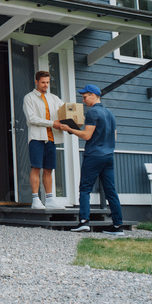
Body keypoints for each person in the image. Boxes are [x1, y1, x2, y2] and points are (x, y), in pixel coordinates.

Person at [60, 84, 124, 236]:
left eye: (85, 96)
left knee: (85, 189)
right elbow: (113, 136)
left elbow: (87, 136)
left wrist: (69, 129)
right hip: (108, 156)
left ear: (94, 95)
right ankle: (117, 226)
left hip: (94, 156)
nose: (83, 100)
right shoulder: (110, 114)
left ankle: (84, 222)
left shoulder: (92, 112)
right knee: (111, 191)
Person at [22, 71, 64, 209]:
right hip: (36, 138)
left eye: (47, 82)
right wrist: (53, 123)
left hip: (51, 138)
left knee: (49, 169)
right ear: (36, 81)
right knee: (36, 167)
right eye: (43, 82)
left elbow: (65, 111)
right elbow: (31, 118)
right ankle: (35, 200)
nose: (45, 85)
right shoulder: (29, 98)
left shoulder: (54, 98)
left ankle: (50, 199)